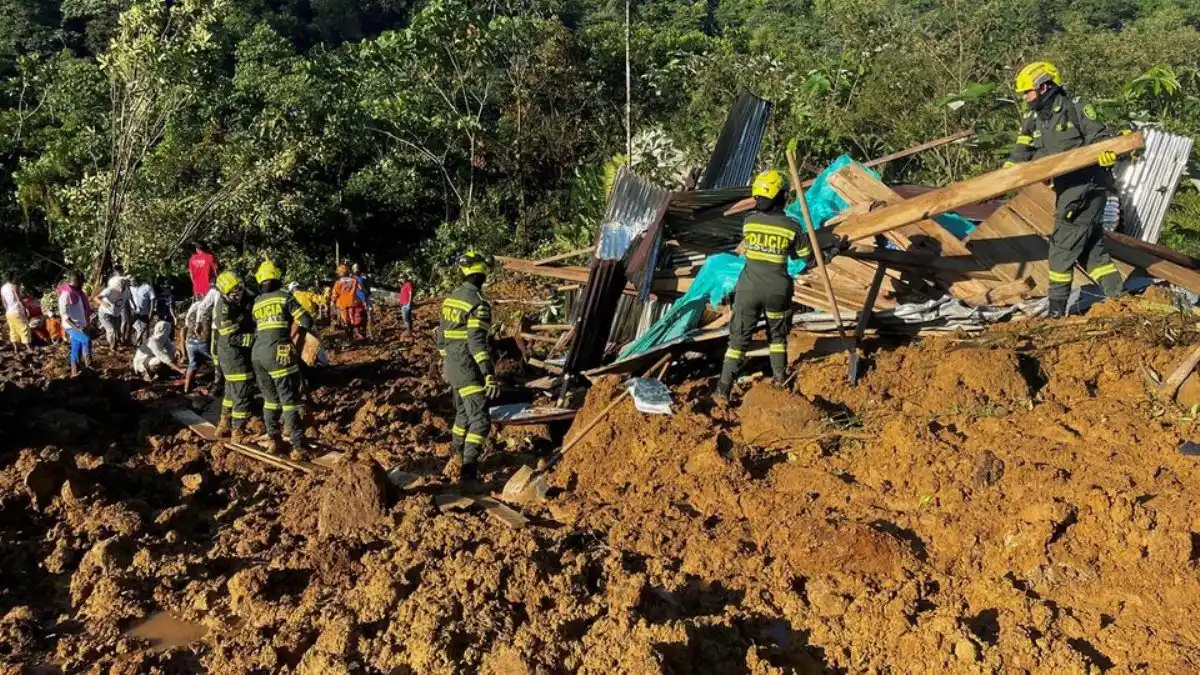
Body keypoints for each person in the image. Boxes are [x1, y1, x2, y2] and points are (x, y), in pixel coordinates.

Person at [1006, 61, 1123, 317]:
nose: (1026, 99)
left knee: (1061, 247)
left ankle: (1057, 313)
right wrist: (1002, 180)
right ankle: (1120, 299)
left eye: (1028, 92)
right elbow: (1020, 153)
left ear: (1044, 86)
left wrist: (1106, 153)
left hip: (1087, 186)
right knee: (1091, 251)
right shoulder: (1032, 118)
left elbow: (1100, 137)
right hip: (1065, 188)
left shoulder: (1075, 107)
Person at [714, 170, 814, 402]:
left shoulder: (749, 223)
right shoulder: (793, 227)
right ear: (781, 196)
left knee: (738, 340)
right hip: (778, 290)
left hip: (748, 289)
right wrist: (832, 250)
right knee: (777, 337)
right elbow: (806, 257)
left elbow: (751, 244)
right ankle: (780, 381)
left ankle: (722, 390)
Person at [435, 250, 499, 484]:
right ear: (483, 274)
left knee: (462, 414)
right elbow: (476, 343)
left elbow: (441, 335)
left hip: (451, 365)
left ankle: (455, 455)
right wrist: (488, 373)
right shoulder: (478, 304)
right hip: (466, 366)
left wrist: (447, 360)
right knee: (480, 419)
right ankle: (469, 470)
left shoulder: (451, 298)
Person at [250, 260, 313, 455]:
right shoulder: (285, 297)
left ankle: (274, 440)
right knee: (290, 399)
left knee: (270, 400)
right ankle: (297, 446)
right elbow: (306, 320)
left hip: (257, 355)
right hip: (279, 354)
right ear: (277, 277)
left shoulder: (257, 302)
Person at [213, 272, 256, 441]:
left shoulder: (245, 295)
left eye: (239, 288)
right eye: (234, 292)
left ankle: (223, 425)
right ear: (225, 294)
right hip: (233, 355)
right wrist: (255, 340)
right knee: (241, 391)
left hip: (236, 353)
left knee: (231, 392)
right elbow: (232, 338)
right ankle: (238, 430)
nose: (238, 293)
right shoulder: (223, 311)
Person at [58, 271, 92, 376]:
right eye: (81, 282)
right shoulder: (66, 294)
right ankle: (89, 367)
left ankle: (74, 373)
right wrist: (77, 328)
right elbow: (65, 316)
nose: (82, 284)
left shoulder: (76, 293)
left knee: (76, 348)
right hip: (71, 326)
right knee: (86, 340)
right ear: (76, 281)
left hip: (79, 325)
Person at [183, 290, 216, 392]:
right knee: (218, 362)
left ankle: (186, 389)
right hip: (203, 341)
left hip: (190, 342)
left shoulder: (193, 308)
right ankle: (217, 386)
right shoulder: (210, 308)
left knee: (192, 364)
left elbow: (186, 324)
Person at [331, 264, 366, 341]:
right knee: (355, 320)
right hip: (354, 303)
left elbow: (334, 294)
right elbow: (361, 289)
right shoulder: (354, 280)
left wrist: (332, 302)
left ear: (340, 273)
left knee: (345, 322)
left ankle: (350, 338)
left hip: (343, 305)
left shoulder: (338, 283)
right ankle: (358, 335)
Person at [94, 275, 130, 351]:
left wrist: (132, 308)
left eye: (123, 287)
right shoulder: (109, 290)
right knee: (111, 331)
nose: (121, 290)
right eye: (119, 287)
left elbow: (128, 300)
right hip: (105, 313)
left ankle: (113, 344)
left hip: (116, 314)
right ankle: (112, 348)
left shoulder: (126, 292)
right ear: (116, 285)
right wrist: (103, 303)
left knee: (116, 331)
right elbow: (96, 298)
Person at [2, 272, 32, 353]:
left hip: (9, 312)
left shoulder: (3, 288)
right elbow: (18, 298)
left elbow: (4, 302)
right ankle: (29, 348)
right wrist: (26, 308)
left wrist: (8, 309)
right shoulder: (14, 286)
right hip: (16, 310)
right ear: (13, 277)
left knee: (13, 330)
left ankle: (16, 348)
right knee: (24, 328)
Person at [128, 274, 156, 345]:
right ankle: (136, 343)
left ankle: (146, 344)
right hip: (133, 312)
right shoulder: (129, 288)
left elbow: (153, 299)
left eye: (132, 281)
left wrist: (151, 312)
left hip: (145, 312)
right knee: (135, 328)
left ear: (137, 281)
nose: (131, 283)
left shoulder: (147, 287)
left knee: (145, 328)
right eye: (130, 281)